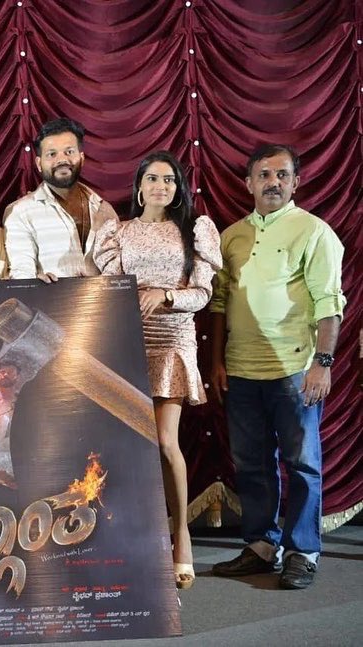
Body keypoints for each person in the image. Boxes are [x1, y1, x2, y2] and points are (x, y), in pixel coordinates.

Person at [209, 144, 345, 590]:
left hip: (296, 371)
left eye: (282, 175)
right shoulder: (231, 236)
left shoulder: (314, 231)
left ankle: (303, 551)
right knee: (251, 464)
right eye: (264, 175)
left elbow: (329, 304)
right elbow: (219, 304)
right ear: (248, 183)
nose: (273, 182)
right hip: (241, 370)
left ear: (296, 182)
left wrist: (322, 364)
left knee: (302, 464)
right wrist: (217, 362)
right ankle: (262, 547)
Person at [94, 151, 221, 590]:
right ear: (139, 186)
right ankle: (135, 540)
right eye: (153, 178)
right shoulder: (118, 231)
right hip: (128, 339)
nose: (161, 186)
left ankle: (181, 537)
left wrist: (166, 296)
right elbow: (110, 287)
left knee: (166, 442)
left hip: (172, 339)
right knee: (129, 446)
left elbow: (202, 293)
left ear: (178, 188)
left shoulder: (195, 229)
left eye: (169, 179)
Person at [4, 117, 118, 281]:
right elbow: (21, 274)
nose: (62, 160)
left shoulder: (103, 208)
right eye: (52, 154)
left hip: (102, 297)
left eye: (69, 152)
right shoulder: (20, 212)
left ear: (82, 158)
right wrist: (34, 283)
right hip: (48, 298)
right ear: (39, 164)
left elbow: (117, 269)